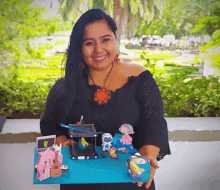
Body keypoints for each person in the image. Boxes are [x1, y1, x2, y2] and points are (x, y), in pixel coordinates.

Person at [40, 9, 171, 190]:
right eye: (89, 43)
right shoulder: (64, 85)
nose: (99, 50)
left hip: (131, 179)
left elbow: (154, 123)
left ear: (115, 39)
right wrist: (61, 141)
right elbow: (49, 124)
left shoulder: (140, 77)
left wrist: (147, 155)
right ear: (79, 47)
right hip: (79, 181)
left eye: (105, 39)